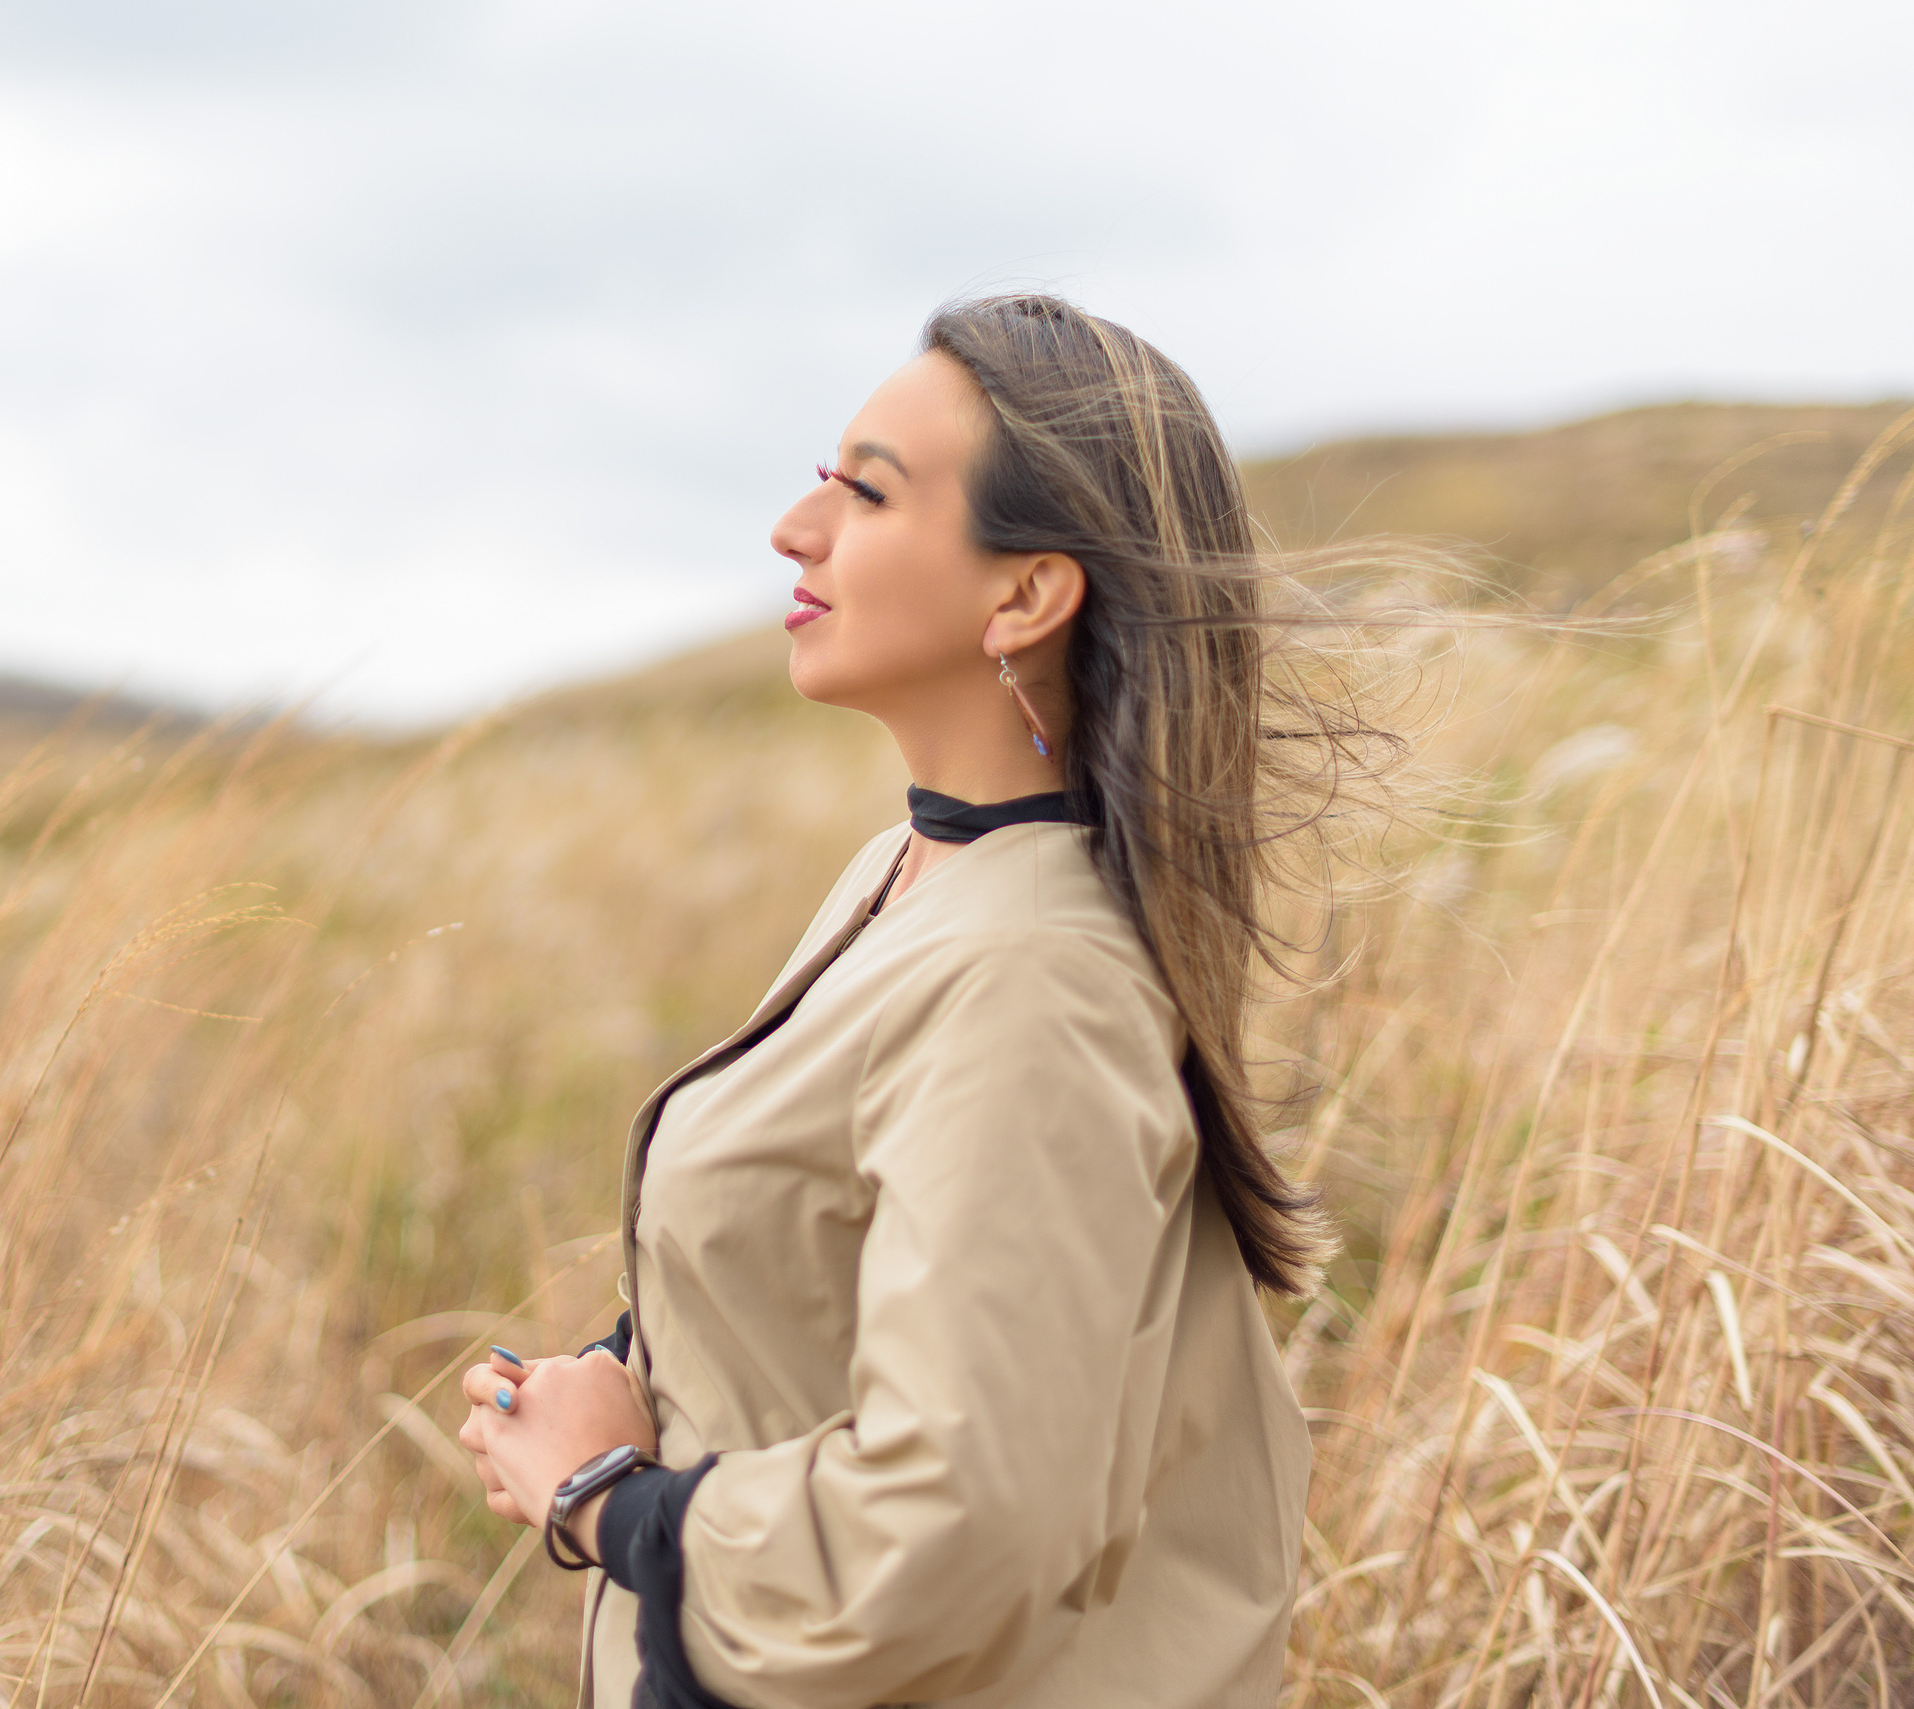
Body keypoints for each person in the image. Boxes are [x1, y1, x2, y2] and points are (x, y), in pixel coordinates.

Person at [457, 293, 1325, 1709]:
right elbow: (839, 1285)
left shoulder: (1033, 976)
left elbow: (960, 1524)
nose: (795, 530)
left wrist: (608, 1498)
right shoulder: (906, 873)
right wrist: (622, 1375)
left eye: (866, 492)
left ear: (1025, 596)